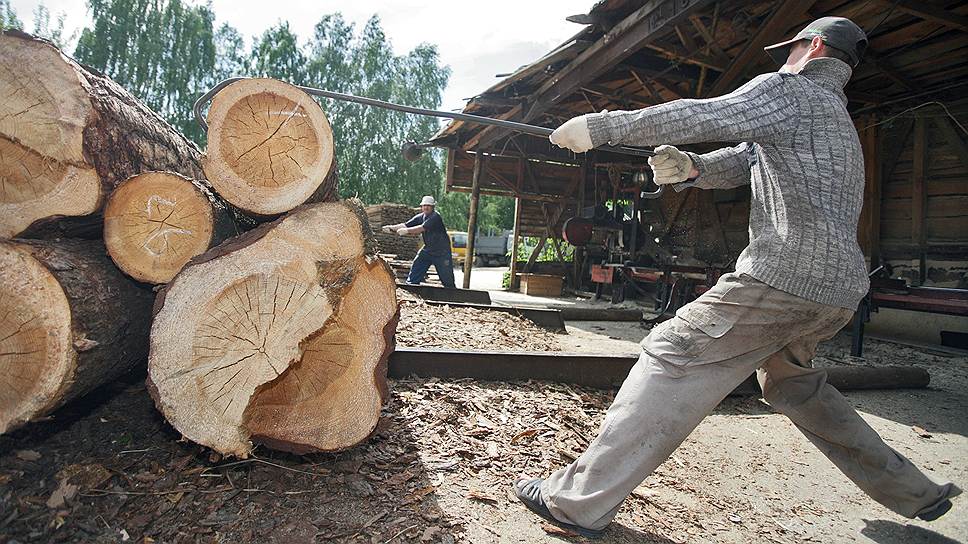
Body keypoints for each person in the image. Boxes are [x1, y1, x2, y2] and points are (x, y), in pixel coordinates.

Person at [512, 17, 960, 538]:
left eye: (787, 50)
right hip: (838, 288)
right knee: (794, 387)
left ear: (812, 47)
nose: (779, 60)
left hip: (786, 274)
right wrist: (693, 169)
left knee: (673, 353)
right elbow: (749, 158)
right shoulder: (834, 119)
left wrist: (602, 128)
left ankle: (575, 502)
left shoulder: (794, 89)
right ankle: (915, 492)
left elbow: (711, 113)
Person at [384, 195, 456, 288]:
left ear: (433, 207)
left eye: (428, 205)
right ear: (421, 207)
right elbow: (405, 225)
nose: (426, 207)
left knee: (447, 279)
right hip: (428, 249)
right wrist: (391, 227)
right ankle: (411, 287)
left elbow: (421, 228)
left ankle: (452, 293)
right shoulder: (420, 217)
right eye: (424, 205)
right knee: (417, 265)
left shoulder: (435, 217)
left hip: (442, 252)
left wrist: (407, 231)